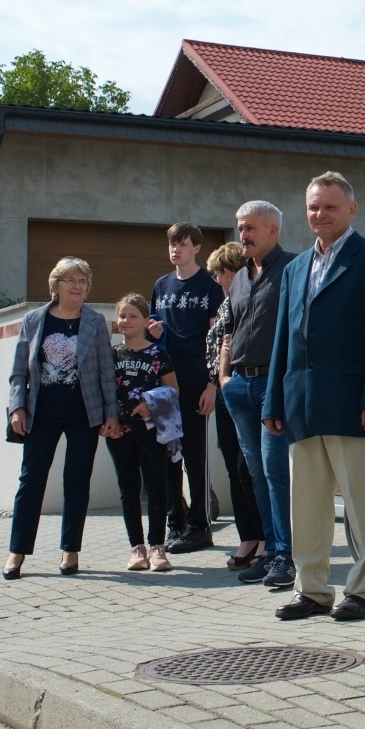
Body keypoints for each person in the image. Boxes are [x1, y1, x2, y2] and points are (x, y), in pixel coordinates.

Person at [264, 172, 365, 622]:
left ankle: (364, 591)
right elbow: (283, 338)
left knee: (363, 505)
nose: (320, 214)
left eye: (329, 206)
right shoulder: (295, 268)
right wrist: (273, 400)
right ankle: (311, 590)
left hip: (354, 401)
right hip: (300, 402)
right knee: (306, 504)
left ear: (351, 209)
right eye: (313, 207)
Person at [5, 257, 119, 579]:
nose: (78, 286)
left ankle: (71, 549)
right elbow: (18, 371)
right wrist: (17, 408)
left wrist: (111, 413)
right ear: (56, 285)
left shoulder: (95, 321)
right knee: (31, 481)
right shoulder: (34, 320)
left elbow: (107, 372)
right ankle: (17, 551)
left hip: (85, 414)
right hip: (41, 414)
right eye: (71, 280)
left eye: (83, 281)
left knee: (77, 481)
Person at [219, 201, 296, 590]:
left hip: (272, 385)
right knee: (256, 474)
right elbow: (229, 329)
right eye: (240, 227)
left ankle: (286, 555)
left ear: (272, 231)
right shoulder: (240, 278)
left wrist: (283, 387)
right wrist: (224, 377)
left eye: (250, 227)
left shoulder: (293, 270)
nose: (243, 235)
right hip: (239, 387)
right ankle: (270, 552)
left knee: (275, 470)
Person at [148, 222, 225, 555]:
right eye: (172, 244)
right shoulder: (161, 285)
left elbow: (218, 339)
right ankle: (175, 521)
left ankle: (200, 526)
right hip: (166, 383)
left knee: (195, 455)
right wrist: (151, 331)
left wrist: (212, 385)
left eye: (182, 244)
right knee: (167, 453)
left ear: (197, 248)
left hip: (196, 381)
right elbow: (152, 333)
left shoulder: (210, 286)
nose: (175, 249)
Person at [204, 242, 264, 572]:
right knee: (233, 466)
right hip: (226, 390)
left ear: (228, 272)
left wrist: (226, 379)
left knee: (249, 466)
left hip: (242, 387)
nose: (215, 280)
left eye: (216, 274)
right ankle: (248, 536)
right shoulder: (227, 301)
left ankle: (265, 538)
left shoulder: (243, 299)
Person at [108, 294, 178, 572]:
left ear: (146, 321)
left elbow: (172, 390)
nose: (126, 320)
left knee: (156, 487)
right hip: (119, 432)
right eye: (122, 315)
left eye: (133, 316)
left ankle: (157, 546)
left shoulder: (159, 354)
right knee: (128, 488)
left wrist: (151, 403)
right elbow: (102, 390)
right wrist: (107, 420)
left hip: (152, 431)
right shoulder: (111, 354)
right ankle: (136, 547)